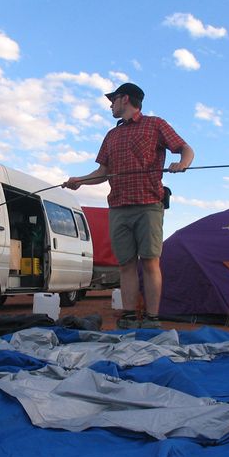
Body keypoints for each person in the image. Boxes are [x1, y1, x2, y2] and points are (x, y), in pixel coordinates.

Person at [64, 83, 194, 329]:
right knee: (125, 264)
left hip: (149, 204)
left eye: (112, 100)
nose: (110, 105)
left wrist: (183, 162)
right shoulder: (111, 135)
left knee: (150, 261)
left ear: (124, 99)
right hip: (119, 207)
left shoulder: (155, 124)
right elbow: (103, 172)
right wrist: (80, 181)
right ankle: (131, 316)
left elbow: (185, 148)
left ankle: (153, 319)